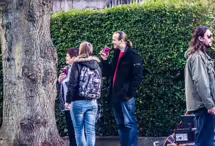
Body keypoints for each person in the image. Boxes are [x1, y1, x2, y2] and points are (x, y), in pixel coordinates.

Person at [100, 31, 143, 146]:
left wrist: (129, 93)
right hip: (115, 95)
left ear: (121, 40)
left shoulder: (133, 56)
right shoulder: (116, 54)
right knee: (121, 125)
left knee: (129, 124)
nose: (112, 42)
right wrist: (104, 61)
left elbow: (138, 77)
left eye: (114, 39)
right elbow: (108, 73)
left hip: (126, 96)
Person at [65, 42, 102, 146]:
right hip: (93, 102)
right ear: (91, 51)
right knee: (90, 131)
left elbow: (72, 84)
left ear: (80, 51)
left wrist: (68, 101)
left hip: (78, 102)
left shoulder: (76, 64)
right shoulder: (96, 65)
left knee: (79, 130)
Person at [184, 26, 215, 146]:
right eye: (209, 36)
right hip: (204, 106)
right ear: (200, 38)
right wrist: (210, 105)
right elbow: (201, 82)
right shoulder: (197, 57)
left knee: (206, 138)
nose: (211, 39)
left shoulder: (202, 56)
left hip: (205, 105)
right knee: (205, 141)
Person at [58, 48, 79, 146]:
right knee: (71, 128)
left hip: (73, 104)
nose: (66, 57)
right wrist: (59, 81)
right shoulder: (69, 69)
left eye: (67, 56)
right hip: (67, 105)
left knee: (75, 128)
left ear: (74, 58)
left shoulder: (77, 69)